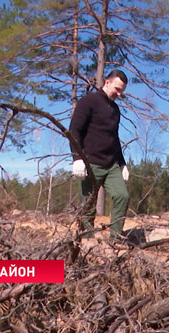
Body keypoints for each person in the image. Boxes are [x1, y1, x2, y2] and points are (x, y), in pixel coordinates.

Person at [69, 69, 130, 239]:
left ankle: (115, 240)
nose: (119, 93)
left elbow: (114, 138)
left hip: (111, 164)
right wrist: (77, 159)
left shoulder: (115, 110)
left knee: (122, 196)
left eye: (122, 91)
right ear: (107, 82)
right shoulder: (88, 101)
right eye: (117, 89)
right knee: (88, 206)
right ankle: (87, 243)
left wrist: (122, 163)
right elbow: (74, 130)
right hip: (90, 163)